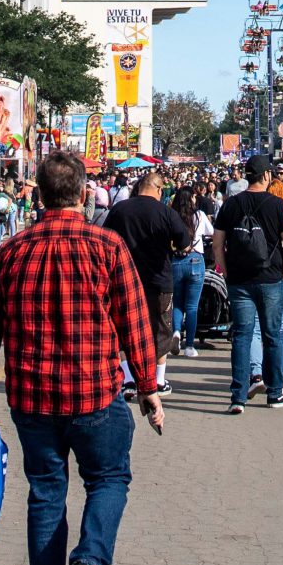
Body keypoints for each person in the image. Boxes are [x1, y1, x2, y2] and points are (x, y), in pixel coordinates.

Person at [0, 152, 163, 565]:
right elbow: (135, 322)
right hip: (95, 395)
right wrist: (148, 386)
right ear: (82, 192)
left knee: (47, 495)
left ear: (40, 194)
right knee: (109, 479)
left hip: (33, 401)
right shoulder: (107, 247)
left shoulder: (12, 252)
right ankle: (88, 564)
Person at [212, 154, 283, 413]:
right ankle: (275, 392)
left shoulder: (230, 205)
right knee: (272, 335)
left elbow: (218, 243)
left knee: (242, 336)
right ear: (266, 176)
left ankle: (238, 396)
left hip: (239, 280)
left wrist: (225, 270)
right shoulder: (278, 205)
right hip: (271, 278)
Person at [103, 170, 187, 396]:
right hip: (159, 281)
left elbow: (105, 239)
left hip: (124, 280)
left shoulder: (120, 209)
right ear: (159, 189)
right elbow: (184, 241)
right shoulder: (165, 212)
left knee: (122, 328)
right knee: (161, 329)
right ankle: (158, 381)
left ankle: (128, 379)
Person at [168, 189, 209, 357]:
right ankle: (190, 346)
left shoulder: (172, 215)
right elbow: (211, 232)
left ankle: (176, 332)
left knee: (177, 302)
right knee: (192, 306)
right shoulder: (199, 215)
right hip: (196, 259)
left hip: (176, 260)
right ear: (191, 198)